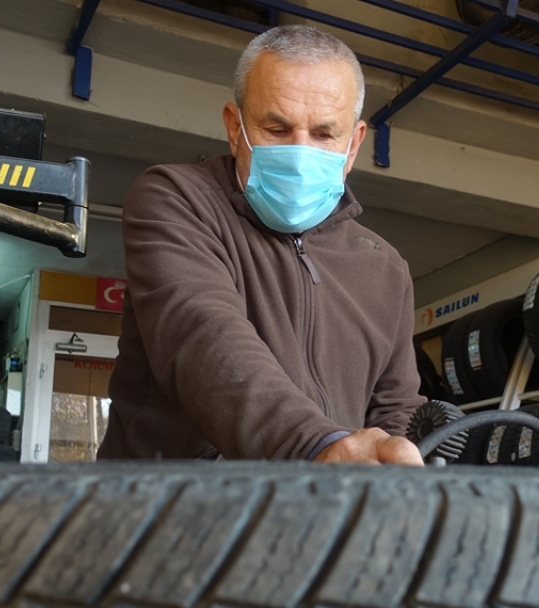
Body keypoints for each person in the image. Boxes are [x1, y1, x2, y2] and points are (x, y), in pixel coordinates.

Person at [97, 24, 425, 465]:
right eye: (277, 128)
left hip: (310, 519)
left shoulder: (385, 267)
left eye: (325, 134)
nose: (300, 151)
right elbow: (202, 338)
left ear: (353, 145)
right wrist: (312, 446)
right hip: (167, 519)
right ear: (235, 128)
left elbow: (395, 411)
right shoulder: (175, 199)